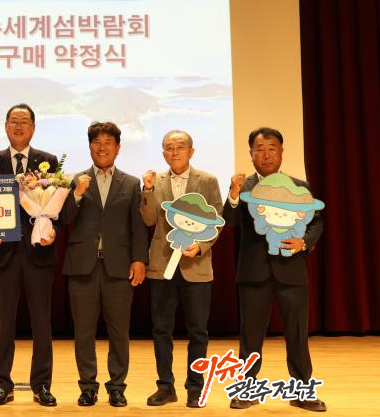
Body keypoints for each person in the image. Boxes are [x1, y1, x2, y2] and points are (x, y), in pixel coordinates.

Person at [224, 127, 326, 412]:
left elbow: (316, 222)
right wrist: (233, 194)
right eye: (260, 149)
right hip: (253, 272)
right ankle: (246, 390)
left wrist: (304, 242)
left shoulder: (299, 186)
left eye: (272, 149)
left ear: (281, 152)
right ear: (251, 154)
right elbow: (230, 221)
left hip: (291, 270)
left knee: (297, 333)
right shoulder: (242, 187)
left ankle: (303, 391)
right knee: (250, 335)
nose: (266, 155)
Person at [60, 121, 148, 407]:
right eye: (97, 142)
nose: (102, 147)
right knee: (83, 331)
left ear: (118, 148)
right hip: (82, 266)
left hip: (119, 267)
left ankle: (117, 387)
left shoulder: (131, 183)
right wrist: (76, 195)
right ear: (89, 147)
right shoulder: (76, 180)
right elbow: (64, 219)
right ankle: (87, 386)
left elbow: (137, 225)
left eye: (108, 142)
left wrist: (139, 259)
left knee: (119, 331)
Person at [0, 103, 58, 407]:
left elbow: (53, 207)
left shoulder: (48, 161)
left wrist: (52, 232)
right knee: (4, 322)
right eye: (13, 121)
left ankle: (42, 384)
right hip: (4, 253)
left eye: (24, 121)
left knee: (42, 321)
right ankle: (3, 383)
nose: (18, 126)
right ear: (5, 126)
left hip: (39, 251)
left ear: (33, 128)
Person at [139, 130, 223, 408]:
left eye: (180, 147)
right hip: (162, 264)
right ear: (163, 153)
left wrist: (201, 246)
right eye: (169, 148)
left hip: (196, 265)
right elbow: (148, 219)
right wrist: (147, 190)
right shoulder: (155, 181)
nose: (174, 152)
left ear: (191, 151)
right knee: (161, 329)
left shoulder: (207, 181)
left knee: (198, 331)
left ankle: (195, 388)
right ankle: (165, 387)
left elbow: (217, 219)